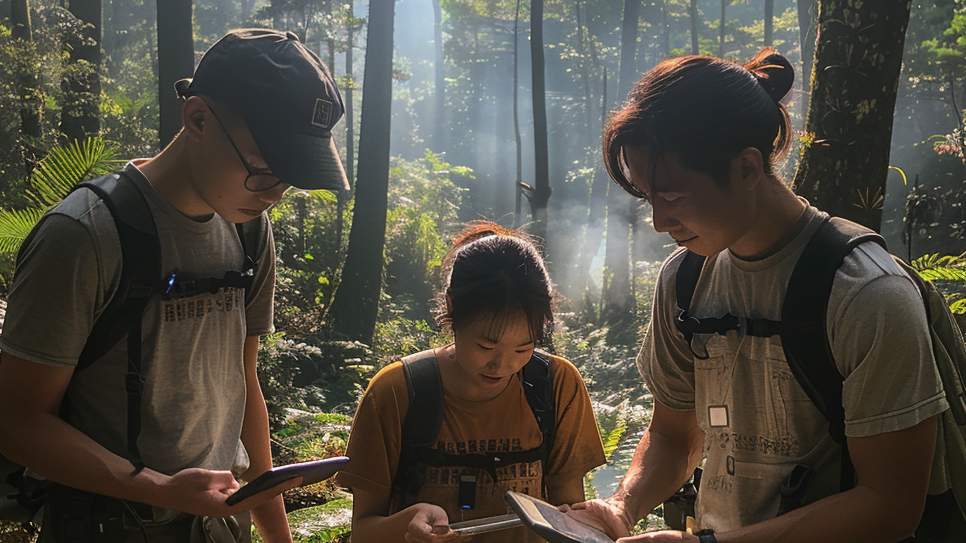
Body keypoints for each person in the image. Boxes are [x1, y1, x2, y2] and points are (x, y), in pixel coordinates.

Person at [567, 48, 955, 543]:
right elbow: (673, 434)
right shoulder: (684, 282)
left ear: (747, 168)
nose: (660, 221)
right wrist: (623, 507)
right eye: (648, 198)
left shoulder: (866, 293)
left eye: (672, 196)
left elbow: (890, 505)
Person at [0, 29, 349, 542]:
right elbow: (16, 419)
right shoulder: (86, 236)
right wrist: (159, 489)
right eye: (264, 167)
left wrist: (276, 533)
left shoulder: (249, 229)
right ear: (199, 118)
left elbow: (243, 383)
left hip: (222, 526)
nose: (274, 193)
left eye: (291, 174)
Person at [335, 221, 606, 542]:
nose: (502, 365)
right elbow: (363, 532)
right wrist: (408, 520)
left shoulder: (555, 385)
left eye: (524, 347)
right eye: (486, 346)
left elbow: (569, 518)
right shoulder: (398, 392)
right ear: (451, 307)